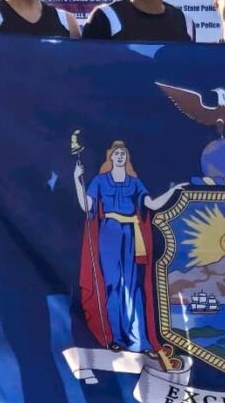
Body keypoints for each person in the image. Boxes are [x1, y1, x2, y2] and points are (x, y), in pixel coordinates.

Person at [73, 141, 184, 353]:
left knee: (134, 287)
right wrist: (77, 180)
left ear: (127, 158)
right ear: (110, 158)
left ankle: (138, 340)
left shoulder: (134, 183)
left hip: (132, 235)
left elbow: (151, 205)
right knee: (113, 284)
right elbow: (86, 206)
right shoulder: (99, 181)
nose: (120, 156)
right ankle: (115, 338)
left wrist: (174, 191)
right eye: (116, 153)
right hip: (109, 234)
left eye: (123, 153)